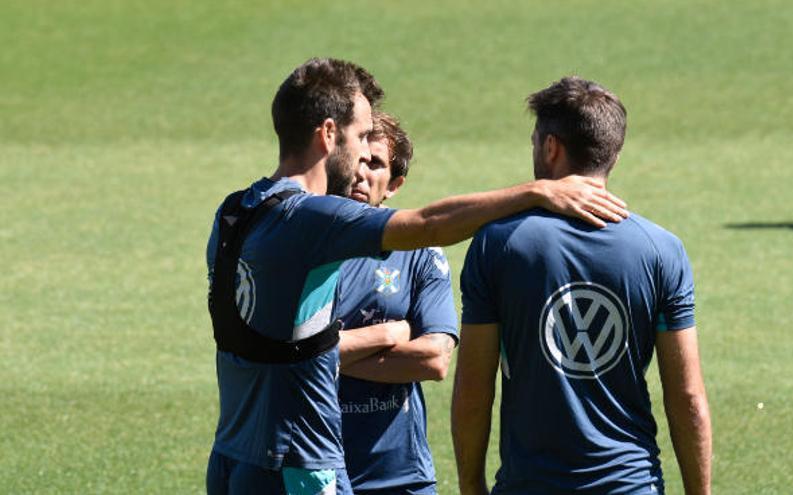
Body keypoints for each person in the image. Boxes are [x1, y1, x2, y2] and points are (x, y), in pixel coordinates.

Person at [205, 59, 629, 495]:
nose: (363, 154)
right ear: (328, 134)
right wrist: (538, 190)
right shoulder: (310, 218)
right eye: (362, 135)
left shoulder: (235, 211)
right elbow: (427, 225)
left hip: (231, 460)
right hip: (296, 464)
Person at [451, 77, 712, 495]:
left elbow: (474, 389)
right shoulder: (663, 250)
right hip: (632, 485)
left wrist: (470, 486)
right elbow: (688, 399)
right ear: (614, 153)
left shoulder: (498, 244)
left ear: (550, 147)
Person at [333, 111, 456, 494]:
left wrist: (328, 358)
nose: (360, 172)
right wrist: (387, 334)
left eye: (375, 164)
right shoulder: (301, 244)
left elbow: (434, 359)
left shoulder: (418, 251)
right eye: (355, 158)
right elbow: (284, 355)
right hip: (313, 467)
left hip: (400, 477)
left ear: (394, 184)